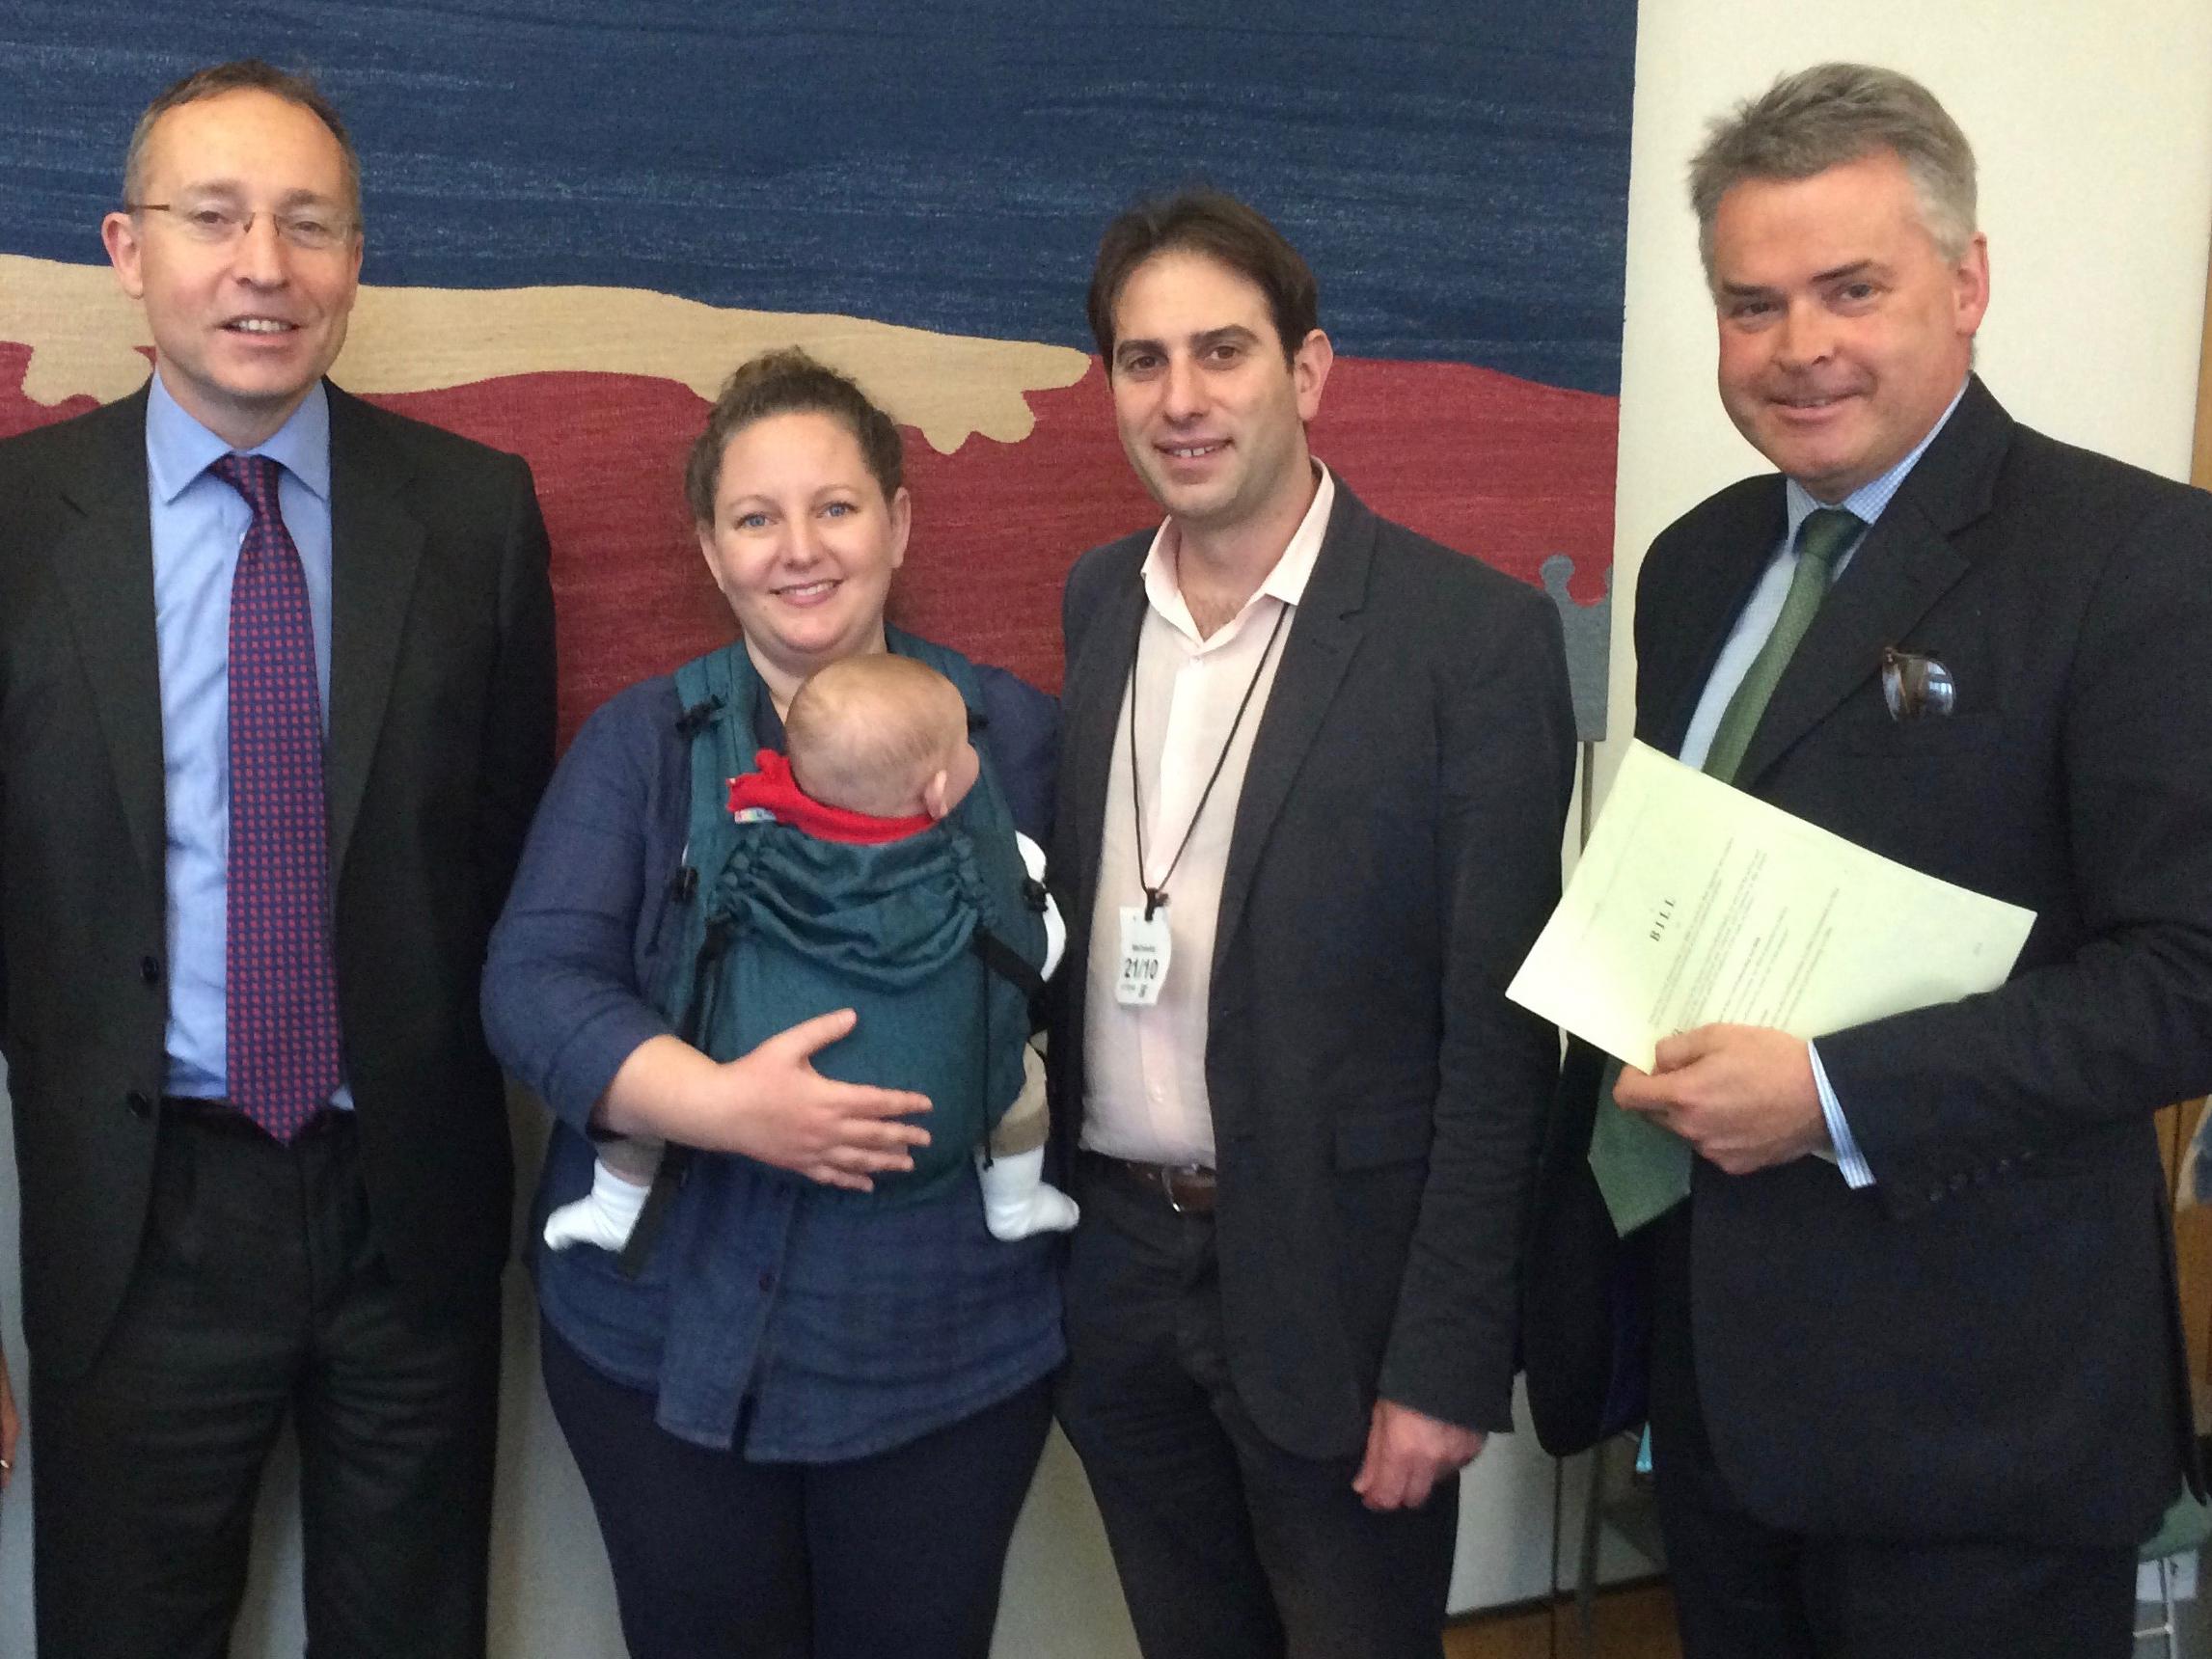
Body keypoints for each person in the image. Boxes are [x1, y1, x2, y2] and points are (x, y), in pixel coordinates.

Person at [1521, 62, 2212, 1659]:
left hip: (1977, 1425)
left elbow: (2185, 978)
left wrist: (1834, 1097)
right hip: (1712, 1386)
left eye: (1850, 289)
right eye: (1749, 304)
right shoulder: (1694, 565)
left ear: (1965, 285)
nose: (1795, 348)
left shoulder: (2138, 563)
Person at [0, 59, 556, 1659]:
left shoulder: (473, 518)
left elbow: (509, 875)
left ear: (355, 263)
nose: (265, 265)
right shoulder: (17, 523)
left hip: (411, 1211)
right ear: (126, 248)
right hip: (133, 1212)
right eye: (215, 217)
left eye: (309, 225)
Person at [1049, 189, 1576, 1659]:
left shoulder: (1466, 642)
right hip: (1122, 1281)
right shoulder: (1098, 606)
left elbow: (1500, 1038)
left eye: (1221, 351)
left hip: (1344, 1304)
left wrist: (1450, 1360)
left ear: (1309, 370)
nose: (1181, 398)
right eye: (1141, 362)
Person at [482, 347, 1063, 1659]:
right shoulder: (643, 747)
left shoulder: (1014, 737)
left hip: (949, 1350)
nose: (799, 549)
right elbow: (530, 986)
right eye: (756, 517)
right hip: (663, 1345)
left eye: (838, 507)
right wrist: (729, 1109)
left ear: (900, 522)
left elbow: (1086, 988)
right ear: (710, 547)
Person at [540, 651, 1077, 1253]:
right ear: (939, 793)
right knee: (1022, 1082)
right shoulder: (982, 866)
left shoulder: (750, 829)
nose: (799, 552)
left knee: (649, 1057)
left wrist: (697, 1100)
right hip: (940, 1129)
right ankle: (1015, 1202)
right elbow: (1035, 955)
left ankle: (619, 1205)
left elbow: (691, 924)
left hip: (723, 1101)